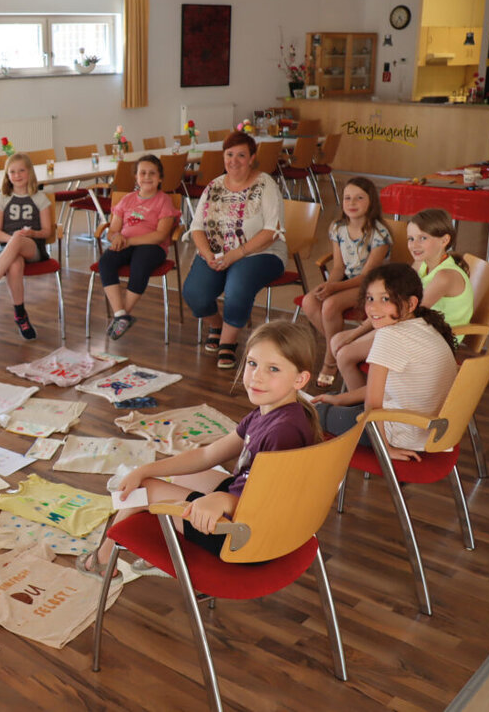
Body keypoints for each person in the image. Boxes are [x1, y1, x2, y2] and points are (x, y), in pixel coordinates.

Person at [76, 321, 321, 578]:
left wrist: (223, 500)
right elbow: (208, 454)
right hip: (249, 513)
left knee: (143, 489)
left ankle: (103, 561)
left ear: (300, 379)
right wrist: (146, 468)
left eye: (273, 369)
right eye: (252, 363)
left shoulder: (283, 431)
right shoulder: (277, 412)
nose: (257, 376)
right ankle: (169, 549)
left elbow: (270, 502)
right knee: (181, 477)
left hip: (243, 538)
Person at [315, 263, 457, 460]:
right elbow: (381, 388)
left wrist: (385, 448)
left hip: (401, 433)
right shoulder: (425, 325)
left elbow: (373, 404)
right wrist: (340, 399)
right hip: (428, 429)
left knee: (308, 414)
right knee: (330, 400)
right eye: (370, 298)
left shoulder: (389, 336)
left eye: (385, 299)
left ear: (411, 304)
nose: (373, 307)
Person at [331, 209, 471, 392]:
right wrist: (358, 332)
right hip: (412, 326)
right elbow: (397, 306)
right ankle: (370, 397)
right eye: (411, 239)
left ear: (444, 240)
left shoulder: (445, 276)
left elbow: (408, 313)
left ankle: (364, 409)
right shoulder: (422, 263)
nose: (414, 245)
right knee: (337, 341)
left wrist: (357, 335)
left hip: (433, 338)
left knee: (345, 355)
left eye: (423, 238)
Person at [183, 131, 287, 369]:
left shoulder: (265, 185)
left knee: (237, 286)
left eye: (241, 155)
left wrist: (235, 255)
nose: (234, 160)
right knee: (194, 294)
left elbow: (272, 231)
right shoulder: (214, 186)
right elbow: (197, 227)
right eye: (229, 154)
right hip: (218, 253)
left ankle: (228, 343)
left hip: (261, 253)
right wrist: (208, 253)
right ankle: (217, 325)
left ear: (252, 158)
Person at [300, 177, 391, 388]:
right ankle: (342, 345)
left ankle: (330, 361)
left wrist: (334, 289)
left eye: (359, 198)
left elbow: (368, 275)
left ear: (371, 202)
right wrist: (327, 286)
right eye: (347, 198)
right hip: (347, 281)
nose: (352, 203)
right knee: (309, 301)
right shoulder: (338, 228)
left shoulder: (379, 234)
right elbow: (339, 267)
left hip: (372, 285)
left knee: (331, 305)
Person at [95, 154, 179, 340]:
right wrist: (115, 237)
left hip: (152, 246)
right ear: (136, 177)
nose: (147, 177)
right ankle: (120, 315)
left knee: (139, 265)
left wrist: (129, 241)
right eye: (143, 173)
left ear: (160, 178)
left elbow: (161, 235)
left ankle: (125, 313)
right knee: (106, 262)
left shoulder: (164, 200)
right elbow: (113, 230)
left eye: (152, 173)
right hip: (126, 243)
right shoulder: (126, 200)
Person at [0, 153, 53, 340]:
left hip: (33, 248)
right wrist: (12, 241)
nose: (17, 175)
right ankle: (20, 314)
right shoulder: (1, 198)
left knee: (17, 240)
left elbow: (47, 231)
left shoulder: (40, 198)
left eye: (21, 170)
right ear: (7, 175)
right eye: (12, 172)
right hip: (8, 249)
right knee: (14, 264)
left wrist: (32, 234)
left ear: (30, 172)